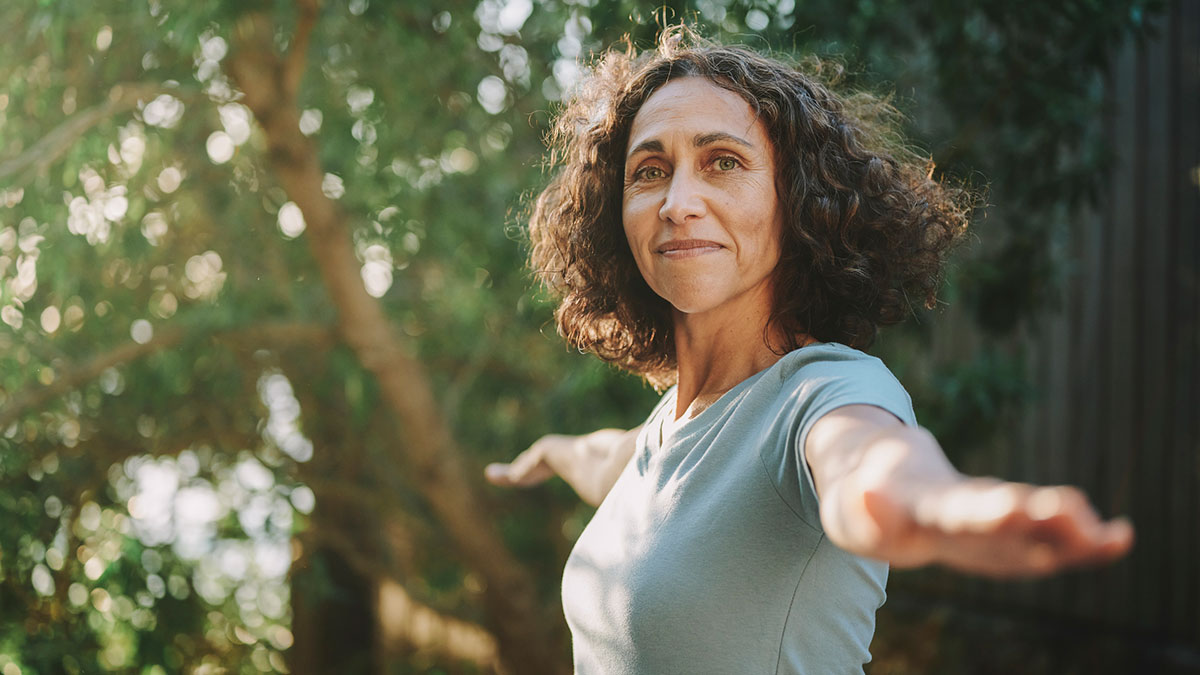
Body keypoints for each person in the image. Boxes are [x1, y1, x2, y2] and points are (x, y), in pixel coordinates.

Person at [485, 27, 1134, 674]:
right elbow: (603, 457)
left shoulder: (823, 393)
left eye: (723, 161)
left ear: (795, 198)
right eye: (650, 171)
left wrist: (937, 507)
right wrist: (547, 454)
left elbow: (868, 464)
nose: (678, 203)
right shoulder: (669, 428)